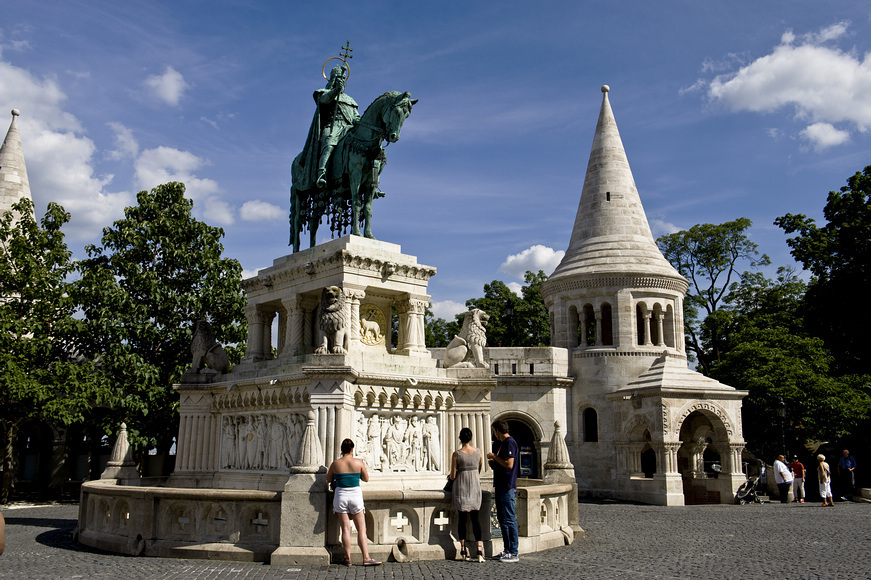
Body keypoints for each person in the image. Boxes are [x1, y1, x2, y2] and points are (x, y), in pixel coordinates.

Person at [326, 438, 381, 567]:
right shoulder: (358, 462)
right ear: (352, 449)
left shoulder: (335, 463)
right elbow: (366, 478)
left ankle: (348, 558)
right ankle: (366, 557)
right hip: (355, 495)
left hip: (341, 495)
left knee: (345, 529)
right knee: (361, 529)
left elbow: (328, 479)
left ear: (341, 449)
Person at [486, 419, 519, 562]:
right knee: (503, 519)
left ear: (497, 431)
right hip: (501, 485)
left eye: (494, 432)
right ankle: (507, 550)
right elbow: (503, 464)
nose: (495, 435)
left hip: (506, 486)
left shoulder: (509, 443)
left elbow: (509, 464)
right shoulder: (504, 444)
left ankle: (513, 551)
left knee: (509, 519)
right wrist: (494, 464)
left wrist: (494, 457)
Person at [450, 427, 484, 563]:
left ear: (460, 438)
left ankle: (463, 550)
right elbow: (479, 468)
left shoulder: (457, 454)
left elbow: (452, 476)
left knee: (462, 519)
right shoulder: (478, 452)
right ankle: (479, 551)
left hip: (462, 487)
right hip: (475, 487)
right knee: (476, 520)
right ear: (470, 438)